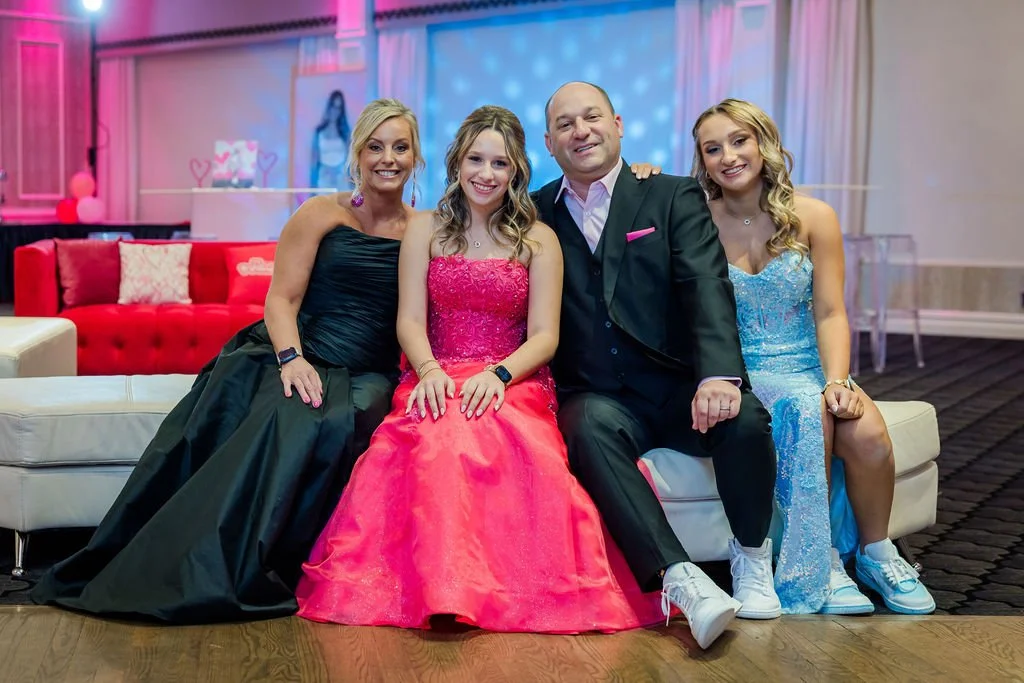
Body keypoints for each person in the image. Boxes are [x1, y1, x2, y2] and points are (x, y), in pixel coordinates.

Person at [31, 98, 424, 623]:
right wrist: (291, 360)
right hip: (294, 351)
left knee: (352, 415)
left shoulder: (424, 228)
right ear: (358, 153)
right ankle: (207, 566)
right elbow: (280, 300)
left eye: (399, 147)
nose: (387, 159)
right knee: (291, 417)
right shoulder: (321, 213)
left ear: (415, 156)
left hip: (368, 368)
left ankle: (299, 562)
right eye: (376, 147)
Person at [296, 105, 665, 634]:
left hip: (511, 380)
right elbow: (409, 319)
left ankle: (490, 589)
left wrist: (497, 377)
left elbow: (545, 336)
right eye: (475, 159)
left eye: (500, 163)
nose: (486, 174)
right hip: (435, 373)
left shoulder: (539, 239)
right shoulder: (424, 230)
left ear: (516, 170)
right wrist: (427, 370)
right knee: (437, 435)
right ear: (456, 162)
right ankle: (436, 589)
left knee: (489, 433)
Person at [531, 81, 782, 649]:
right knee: (585, 427)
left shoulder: (670, 195)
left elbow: (705, 287)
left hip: (676, 385)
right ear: (549, 143)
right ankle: (681, 578)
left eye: (592, 117)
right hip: (598, 392)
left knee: (744, 420)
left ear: (617, 124)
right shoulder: (535, 211)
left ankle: (751, 556)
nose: (581, 131)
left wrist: (718, 375)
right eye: (566, 124)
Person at [691, 98, 935, 615]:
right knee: (808, 411)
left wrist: (838, 380)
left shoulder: (814, 216)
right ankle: (817, 563)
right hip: (745, 369)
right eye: (713, 149)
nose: (728, 156)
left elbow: (829, 311)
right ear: (702, 160)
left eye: (739, 141)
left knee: (867, 434)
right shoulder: (697, 221)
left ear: (764, 143)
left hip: (807, 361)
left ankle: (875, 553)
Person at [311, 90, 351, 189]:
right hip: (324, 180)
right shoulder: (319, 133)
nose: (335, 111)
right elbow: (314, 163)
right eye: (333, 106)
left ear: (341, 111)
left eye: (338, 108)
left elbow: (350, 162)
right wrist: (312, 187)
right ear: (329, 107)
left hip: (341, 180)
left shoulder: (345, 133)